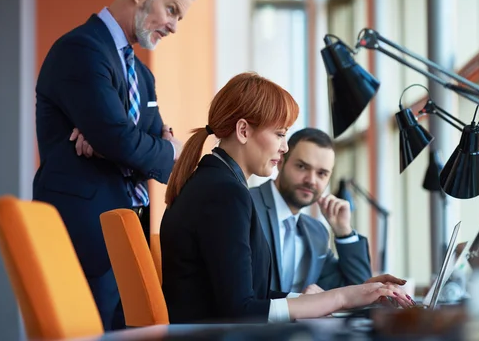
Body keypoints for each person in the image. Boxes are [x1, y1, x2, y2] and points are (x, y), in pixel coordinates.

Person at [160, 72, 414, 324]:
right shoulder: (225, 194)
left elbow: (246, 298)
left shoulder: (214, 183)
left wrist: (339, 296)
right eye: (280, 134)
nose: (283, 147)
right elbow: (239, 311)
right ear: (243, 130)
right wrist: (341, 299)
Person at [33, 0, 197, 330]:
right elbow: (122, 140)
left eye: (180, 17)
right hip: (86, 235)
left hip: (132, 233)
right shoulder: (81, 49)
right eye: (171, 10)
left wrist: (156, 146)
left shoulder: (142, 74)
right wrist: (142, 143)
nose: (173, 26)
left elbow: (149, 150)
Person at [252, 127, 392, 293]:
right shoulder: (247, 205)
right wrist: (302, 302)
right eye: (302, 167)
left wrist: (344, 233)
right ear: (281, 161)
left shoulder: (316, 233)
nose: (311, 180)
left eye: (322, 173)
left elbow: (358, 291)